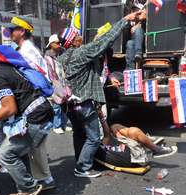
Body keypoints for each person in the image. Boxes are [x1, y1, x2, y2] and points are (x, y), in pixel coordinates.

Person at [57, 12, 140, 178]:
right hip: (84, 104)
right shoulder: (80, 53)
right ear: (73, 41)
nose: (80, 38)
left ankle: (80, 164)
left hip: (71, 106)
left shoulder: (61, 58)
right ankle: (82, 167)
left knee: (79, 134)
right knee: (94, 138)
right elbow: (105, 40)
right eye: (78, 36)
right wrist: (124, 20)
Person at [0, 45, 54, 195]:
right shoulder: (2, 69)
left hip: (36, 116)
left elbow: (10, 108)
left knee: (6, 154)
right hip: (38, 112)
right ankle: (24, 188)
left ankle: (30, 189)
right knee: (19, 152)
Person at [7, 16, 55, 189]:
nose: (10, 33)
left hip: (36, 100)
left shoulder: (27, 51)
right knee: (34, 142)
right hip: (35, 99)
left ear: (22, 31)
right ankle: (42, 176)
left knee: (36, 142)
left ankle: (45, 178)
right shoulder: (24, 48)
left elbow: (35, 78)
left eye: (13, 30)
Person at [45, 34, 72, 134]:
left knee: (65, 104)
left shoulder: (60, 54)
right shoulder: (48, 57)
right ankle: (57, 125)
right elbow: (50, 72)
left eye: (59, 43)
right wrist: (55, 84)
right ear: (51, 44)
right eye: (57, 43)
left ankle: (63, 124)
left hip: (63, 82)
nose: (59, 44)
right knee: (57, 105)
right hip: (55, 83)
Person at [125, 1, 147, 70]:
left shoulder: (143, 20)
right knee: (129, 43)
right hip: (133, 42)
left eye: (136, 10)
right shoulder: (130, 20)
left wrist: (139, 23)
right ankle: (130, 69)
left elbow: (144, 17)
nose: (135, 11)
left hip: (142, 43)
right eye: (133, 10)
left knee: (138, 30)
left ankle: (138, 53)